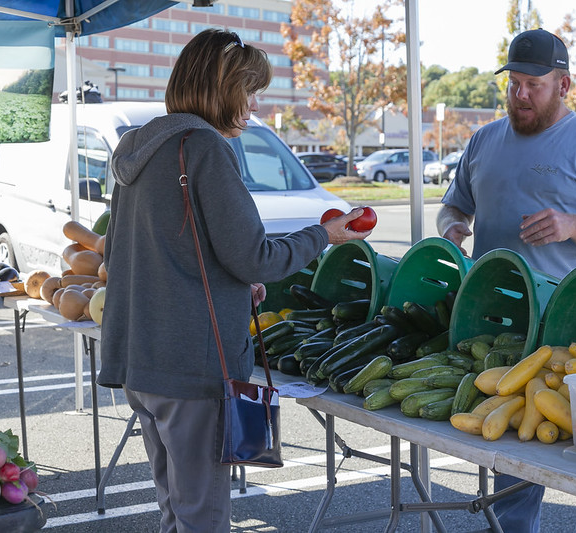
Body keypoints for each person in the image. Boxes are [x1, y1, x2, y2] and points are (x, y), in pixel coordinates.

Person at [97, 29, 371, 533]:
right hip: (189, 369)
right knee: (203, 517)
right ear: (217, 89)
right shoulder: (204, 148)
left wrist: (231, 285)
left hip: (139, 361)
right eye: (247, 90)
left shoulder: (137, 147)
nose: (252, 105)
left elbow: (124, 253)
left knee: (174, 509)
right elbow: (255, 258)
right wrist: (323, 234)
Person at [437, 29, 576, 532]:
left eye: (534, 84)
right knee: (511, 460)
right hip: (501, 325)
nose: (520, 94)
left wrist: (574, 225)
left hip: (572, 329)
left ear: (565, 84)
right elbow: (452, 205)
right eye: (513, 83)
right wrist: (454, 229)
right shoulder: (483, 140)